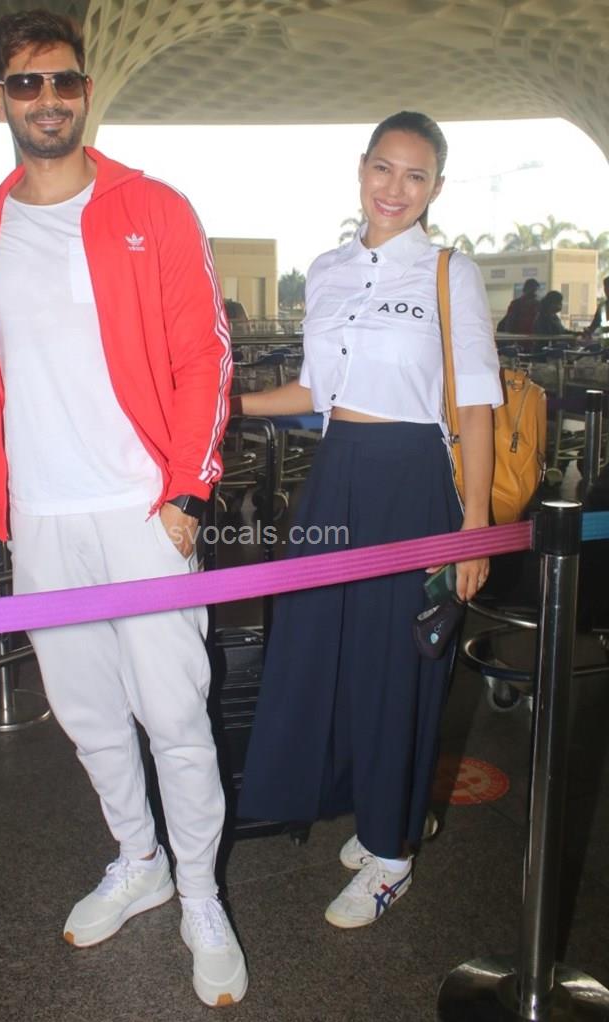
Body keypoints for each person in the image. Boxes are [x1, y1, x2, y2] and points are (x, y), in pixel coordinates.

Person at [0, 8, 247, 1008]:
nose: (47, 99)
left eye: (63, 81)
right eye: (27, 84)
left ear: (85, 91)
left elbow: (204, 354)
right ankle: (139, 860)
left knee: (174, 715)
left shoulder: (153, 206)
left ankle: (200, 896)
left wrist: (187, 488)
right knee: (90, 714)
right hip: (41, 517)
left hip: (144, 509)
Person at [235, 111, 503, 929]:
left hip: (412, 482)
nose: (396, 188)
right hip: (336, 478)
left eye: (416, 176)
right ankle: (367, 801)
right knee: (322, 647)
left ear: (436, 188)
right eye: (384, 168)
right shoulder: (327, 270)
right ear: (361, 169)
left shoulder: (449, 273)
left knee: (396, 665)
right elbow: (316, 393)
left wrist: (475, 527)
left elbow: (476, 403)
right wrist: (227, 408)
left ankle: (391, 855)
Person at [584, 276, 609, 342]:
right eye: (606, 287)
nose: (606, 290)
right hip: (604, 344)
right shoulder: (602, 307)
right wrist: (588, 331)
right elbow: (594, 325)